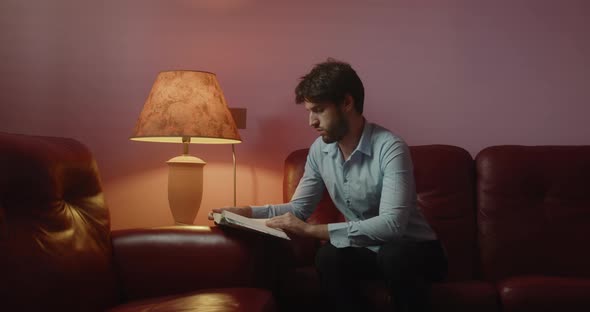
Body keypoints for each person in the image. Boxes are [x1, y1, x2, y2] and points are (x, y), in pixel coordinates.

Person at [209, 59, 447, 312]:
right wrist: (247, 212)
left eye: (319, 110)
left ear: (347, 103)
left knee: (394, 254)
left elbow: (392, 225)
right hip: (368, 252)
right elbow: (298, 208)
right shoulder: (320, 151)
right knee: (329, 256)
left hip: (417, 252)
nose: (311, 121)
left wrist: (312, 231)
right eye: (310, 111)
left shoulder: (390, 147)